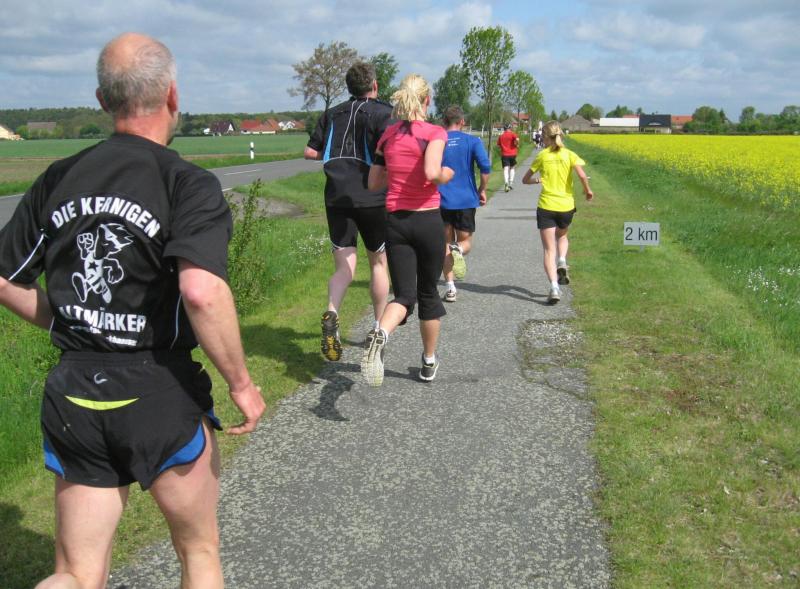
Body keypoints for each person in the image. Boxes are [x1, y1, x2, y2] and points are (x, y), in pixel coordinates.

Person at [0, 33, 265, 589]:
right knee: (198, 551)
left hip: (75, 392)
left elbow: (5, 278)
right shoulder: (186, 183)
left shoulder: (58, 177)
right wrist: (241, 384)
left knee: (75, 573)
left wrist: (65, 321)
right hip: (158, 387)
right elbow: (201, 291)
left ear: (103, 100)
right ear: (172, 95)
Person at [362, 74, 453, 386]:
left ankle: (381, 332)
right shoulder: (434, 132)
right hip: (427, 221)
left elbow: (373, 183)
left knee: (403, 296)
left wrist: (399, 173)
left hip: (396, 222)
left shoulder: (388, 136)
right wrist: (447, 173)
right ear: (427, 100)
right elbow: (431, 171)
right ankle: (428, 362)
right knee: (428, 293)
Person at [305, 62, 393, 362]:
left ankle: (332, 312)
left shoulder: (332, 113)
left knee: (344, 268)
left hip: (337, 197)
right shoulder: (384, 113)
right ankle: (378, 329)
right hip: (372, 197)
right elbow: (390, 153)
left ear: (348, 87)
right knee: (378, 264)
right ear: (375, 85)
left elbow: (310, 151)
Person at [522, 120, 594, 304]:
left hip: (546, 206)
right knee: (562, 236)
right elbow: (582, 175)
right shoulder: (569, 154)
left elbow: (525, 179)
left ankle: (554, 288)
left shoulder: (542, 155)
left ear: (545, 137)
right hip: (566, 206)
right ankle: (562, 260)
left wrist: (537, 181)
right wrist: (587, 191)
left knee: (548, 250)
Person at [438, 105, 491, 302]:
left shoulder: (437, 141)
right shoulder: (472, 141)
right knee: (465, 243)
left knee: (445, 244)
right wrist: (482, 189)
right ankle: (458, 250)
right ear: (462, 122)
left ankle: (450, 288)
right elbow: (485, 167)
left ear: (444, 121)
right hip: (465, 199)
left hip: (441, 200)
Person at [497, 123, 520, 192]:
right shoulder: (513, 134)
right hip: (513, 153)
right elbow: (517, 139)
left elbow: (498, 145)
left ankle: (506, 183)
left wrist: (502, 148)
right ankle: (510, 183)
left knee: (505, 169)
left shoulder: (501, 136)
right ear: (510, 128)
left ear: (504, 128)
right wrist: (516, 145)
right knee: (512, 168)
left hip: (504, 154)